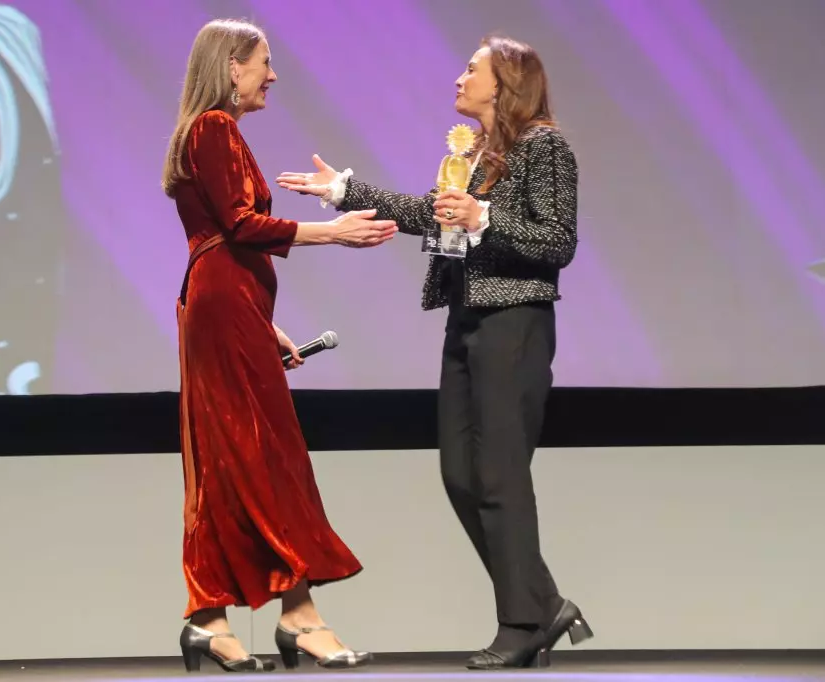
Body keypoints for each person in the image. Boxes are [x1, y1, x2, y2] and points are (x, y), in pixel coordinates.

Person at [277, 37, 592, 670]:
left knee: (500, 476)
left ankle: (523, 620)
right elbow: (433, 214)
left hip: (514, 323)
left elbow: (557, 242)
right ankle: (546, 603)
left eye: (471, 69)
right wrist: (344, 190)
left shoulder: (544, 147)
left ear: (504, 82)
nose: (459, 77)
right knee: (460, 475)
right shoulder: (478, 153)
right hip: (466, 320)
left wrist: (483, 220)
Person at [162, 19, 394, 674]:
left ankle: (209, 622)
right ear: (232, 66)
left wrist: (263, 324)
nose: (273, 75)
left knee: (231, 460)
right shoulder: (213, 128)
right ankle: (299, 617)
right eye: (264, 62)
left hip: (229, 308)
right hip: (222, 306)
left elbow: (222, 239)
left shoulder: (209, 131)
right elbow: (239, 224)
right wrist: (335, 231)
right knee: (265, 455)